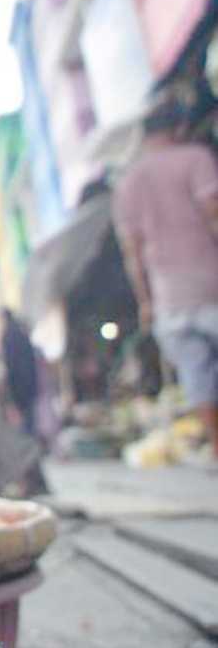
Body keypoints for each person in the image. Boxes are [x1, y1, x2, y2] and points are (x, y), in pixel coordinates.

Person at [114, 100, 218, 466]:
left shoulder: (128, 183)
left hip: (167, 295)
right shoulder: (195, 158)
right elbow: (213, 214)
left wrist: (146, 301)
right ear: (177, 129)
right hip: (209, 280)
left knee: (197, 375)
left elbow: (133, 252)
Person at [0, 309, 39, 436]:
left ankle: (28, 442)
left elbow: (10, 362)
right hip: (28, 381)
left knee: (25, 418)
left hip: (19, 383)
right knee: (29, 416)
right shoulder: (20, 332)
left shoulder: (9, 335)